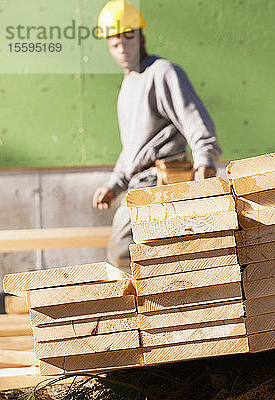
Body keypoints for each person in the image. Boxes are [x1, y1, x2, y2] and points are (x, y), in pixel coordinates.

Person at [92, 0, 221, 272]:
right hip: (139, 182)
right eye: (115, 44)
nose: (123, 48)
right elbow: (133, 149)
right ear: (109, 48)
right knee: (139, 256)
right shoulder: (128, 86)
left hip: (162, 181)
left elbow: (194, 118)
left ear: (142, 38)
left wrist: (205, 161)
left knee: (120, 251)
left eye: (128, 39)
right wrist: (114, 184)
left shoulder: (162, 72)